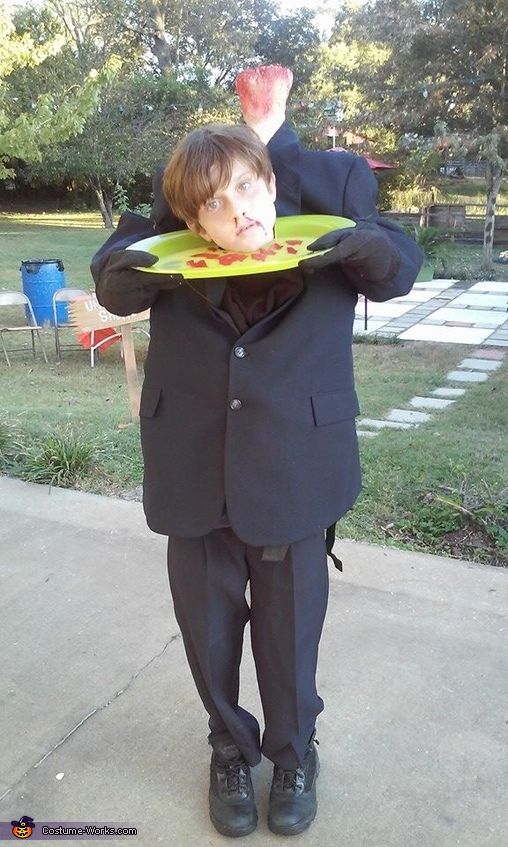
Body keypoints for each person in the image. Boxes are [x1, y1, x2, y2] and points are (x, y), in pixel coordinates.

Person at [91, 88, 423, 839]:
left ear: (272, 183)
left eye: (247, 186)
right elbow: (114, 276)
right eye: (213, 201)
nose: (235, 206)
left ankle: (295, 752)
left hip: (296, 470)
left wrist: (351, 242)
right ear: (192, 215)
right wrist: (161, 265)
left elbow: (399, 265)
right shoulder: (170, 239)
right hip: (192, 472)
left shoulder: (334, 223)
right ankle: (229, 748)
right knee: (209, 635)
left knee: (289, 634)